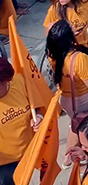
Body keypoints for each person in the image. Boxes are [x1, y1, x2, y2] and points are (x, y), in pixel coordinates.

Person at [46, 20, 88, 167]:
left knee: (75, 125)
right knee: (86, 129)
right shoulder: (79, 59)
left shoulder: (52, 55)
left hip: (66, 99)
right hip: (82, 100)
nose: (74, 27)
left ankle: (68, 158)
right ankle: (84, 154)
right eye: (71, 29)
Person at [0, 56, 43, 185]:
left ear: (6, 80)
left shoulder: (20, 82)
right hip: (6, 165)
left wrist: (39, 117)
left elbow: (38, 106)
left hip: (33, 153)